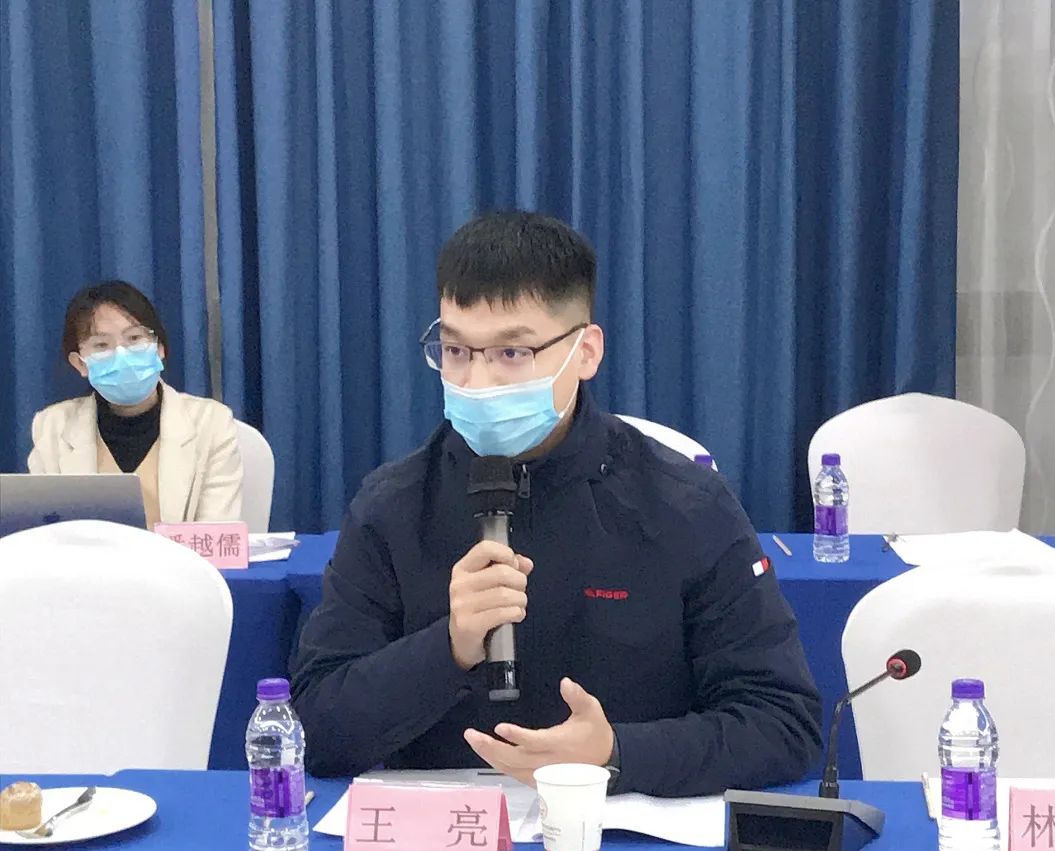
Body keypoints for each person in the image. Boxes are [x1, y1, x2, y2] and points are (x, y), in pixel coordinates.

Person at [292, 211, 821, 796]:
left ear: (585, 352)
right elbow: (314, 729)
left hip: (619, 829)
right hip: (446, 832)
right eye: (456, 350)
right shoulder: (392, 507)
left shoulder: (685, 505)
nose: (477, 382)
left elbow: (783, 724)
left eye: (512, 353)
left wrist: (617, 754)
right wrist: (448, 648)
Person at [28, 280, 242, 527]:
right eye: (102, 345)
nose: (122, 355)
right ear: (80, 364)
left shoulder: (212, 423)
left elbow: (216, 531)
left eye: (134, 338)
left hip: (180, 555)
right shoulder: (52, 427)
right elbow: (45, 534)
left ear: (159, 348)